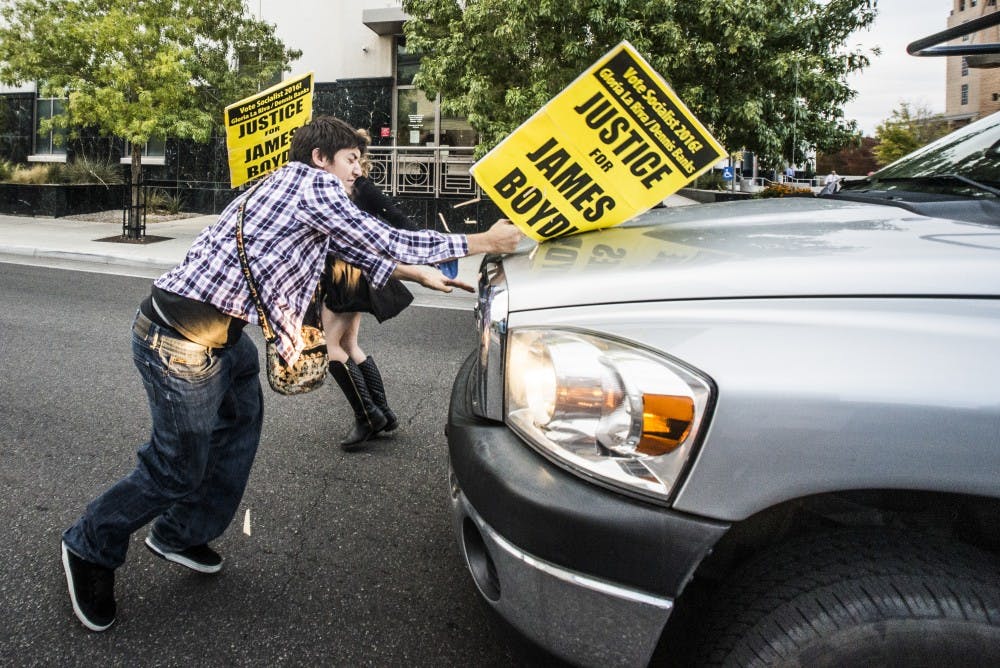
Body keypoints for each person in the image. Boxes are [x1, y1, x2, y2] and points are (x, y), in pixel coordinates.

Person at [60, 115, 522, 632]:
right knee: (175, 468)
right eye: (352, 161)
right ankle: (88, 545)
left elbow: (350, 248)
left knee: (238, 432)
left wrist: (417, 272)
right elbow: (384, 236)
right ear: (321, 158)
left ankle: (179, 533)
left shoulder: (292, 190)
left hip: (222, 338)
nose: (358, 172)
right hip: (177, 340)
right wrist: (483, 241)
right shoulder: (314, 185)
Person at [320, 129, 438, 449]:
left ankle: (367, 416)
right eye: (349, 158)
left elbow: (395, 216)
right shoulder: (329, 187)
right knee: (349, 343)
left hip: (348, 273)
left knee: (329, 346)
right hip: (348, 271)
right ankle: (382, 411)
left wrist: (427, 248)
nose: (354, 166)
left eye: (355, 158)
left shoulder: (360, 188)